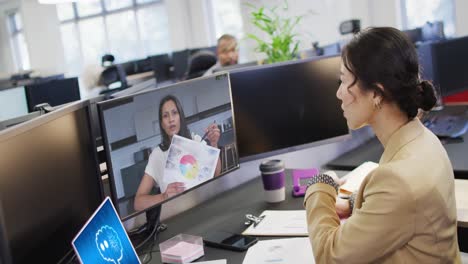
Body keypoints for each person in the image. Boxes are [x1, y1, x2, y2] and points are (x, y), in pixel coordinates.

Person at [304, 27, 461, 263]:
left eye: (344, 82)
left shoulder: (398, 180)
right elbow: (407, 209)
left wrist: (320, 186)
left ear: (377, 93)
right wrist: (353, 202)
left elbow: (329, 256)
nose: (338, 94)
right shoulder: (423, 139)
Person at [134, 95, 222, 211]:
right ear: (162, 124)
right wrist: (164, 196)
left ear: (181, 116)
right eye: (165, 116)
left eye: (174, 113)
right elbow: (138, 203)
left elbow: (216, 175)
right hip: (177, 216)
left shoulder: (195, 140)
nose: (171, 119)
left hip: (205, 207)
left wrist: (214, 144)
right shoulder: (157, 155)